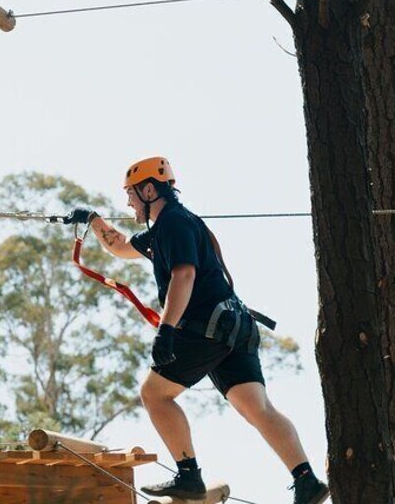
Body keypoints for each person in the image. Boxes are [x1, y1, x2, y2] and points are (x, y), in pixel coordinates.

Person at [63, 157, 329, 504]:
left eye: (130, 193)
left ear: (148, 190)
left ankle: (189, 475)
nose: (127, 201)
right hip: (236, 326)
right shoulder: (167, 228)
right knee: (256, 406)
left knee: (155, 394)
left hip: (208, 326)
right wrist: (93, 220)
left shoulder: (172, 223)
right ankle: (306, 480)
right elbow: (120, 247)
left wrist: (167, 330)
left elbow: (183, 275)